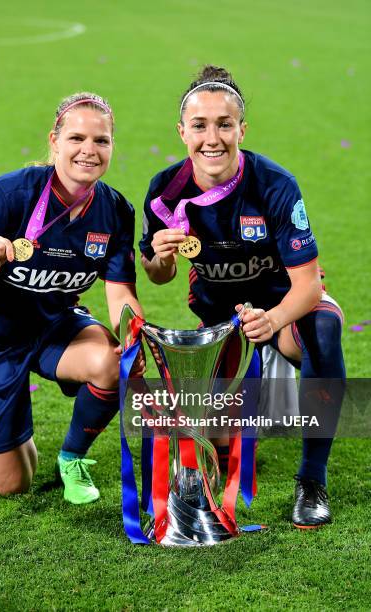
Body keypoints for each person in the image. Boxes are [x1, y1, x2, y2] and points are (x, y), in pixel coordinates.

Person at [139, 66, 345, 528]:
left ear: (242, 129)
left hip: (284, 307)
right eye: (199, 126)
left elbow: (309, 286)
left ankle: (312, 480)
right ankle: (210, 454)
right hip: (220, 324)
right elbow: (155, 274)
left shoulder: (275, 184)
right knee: (214, 436)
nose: (213, 138)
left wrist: (272, 321)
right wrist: (162, 259)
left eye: (224, 124)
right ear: (181, 132)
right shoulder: (164, 192)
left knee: (325, 331)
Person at [0, 92, 144, 504]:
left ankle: (72, 456)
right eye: (77, 138)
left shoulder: (116, 210)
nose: (89, 150)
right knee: (13, 484)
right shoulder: (9, 194)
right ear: (55, 141)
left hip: (55, 327)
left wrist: (136, 334)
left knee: (114, 362)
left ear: (112, 146)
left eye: (101, 141)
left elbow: (119, 292)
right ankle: (13, 420)